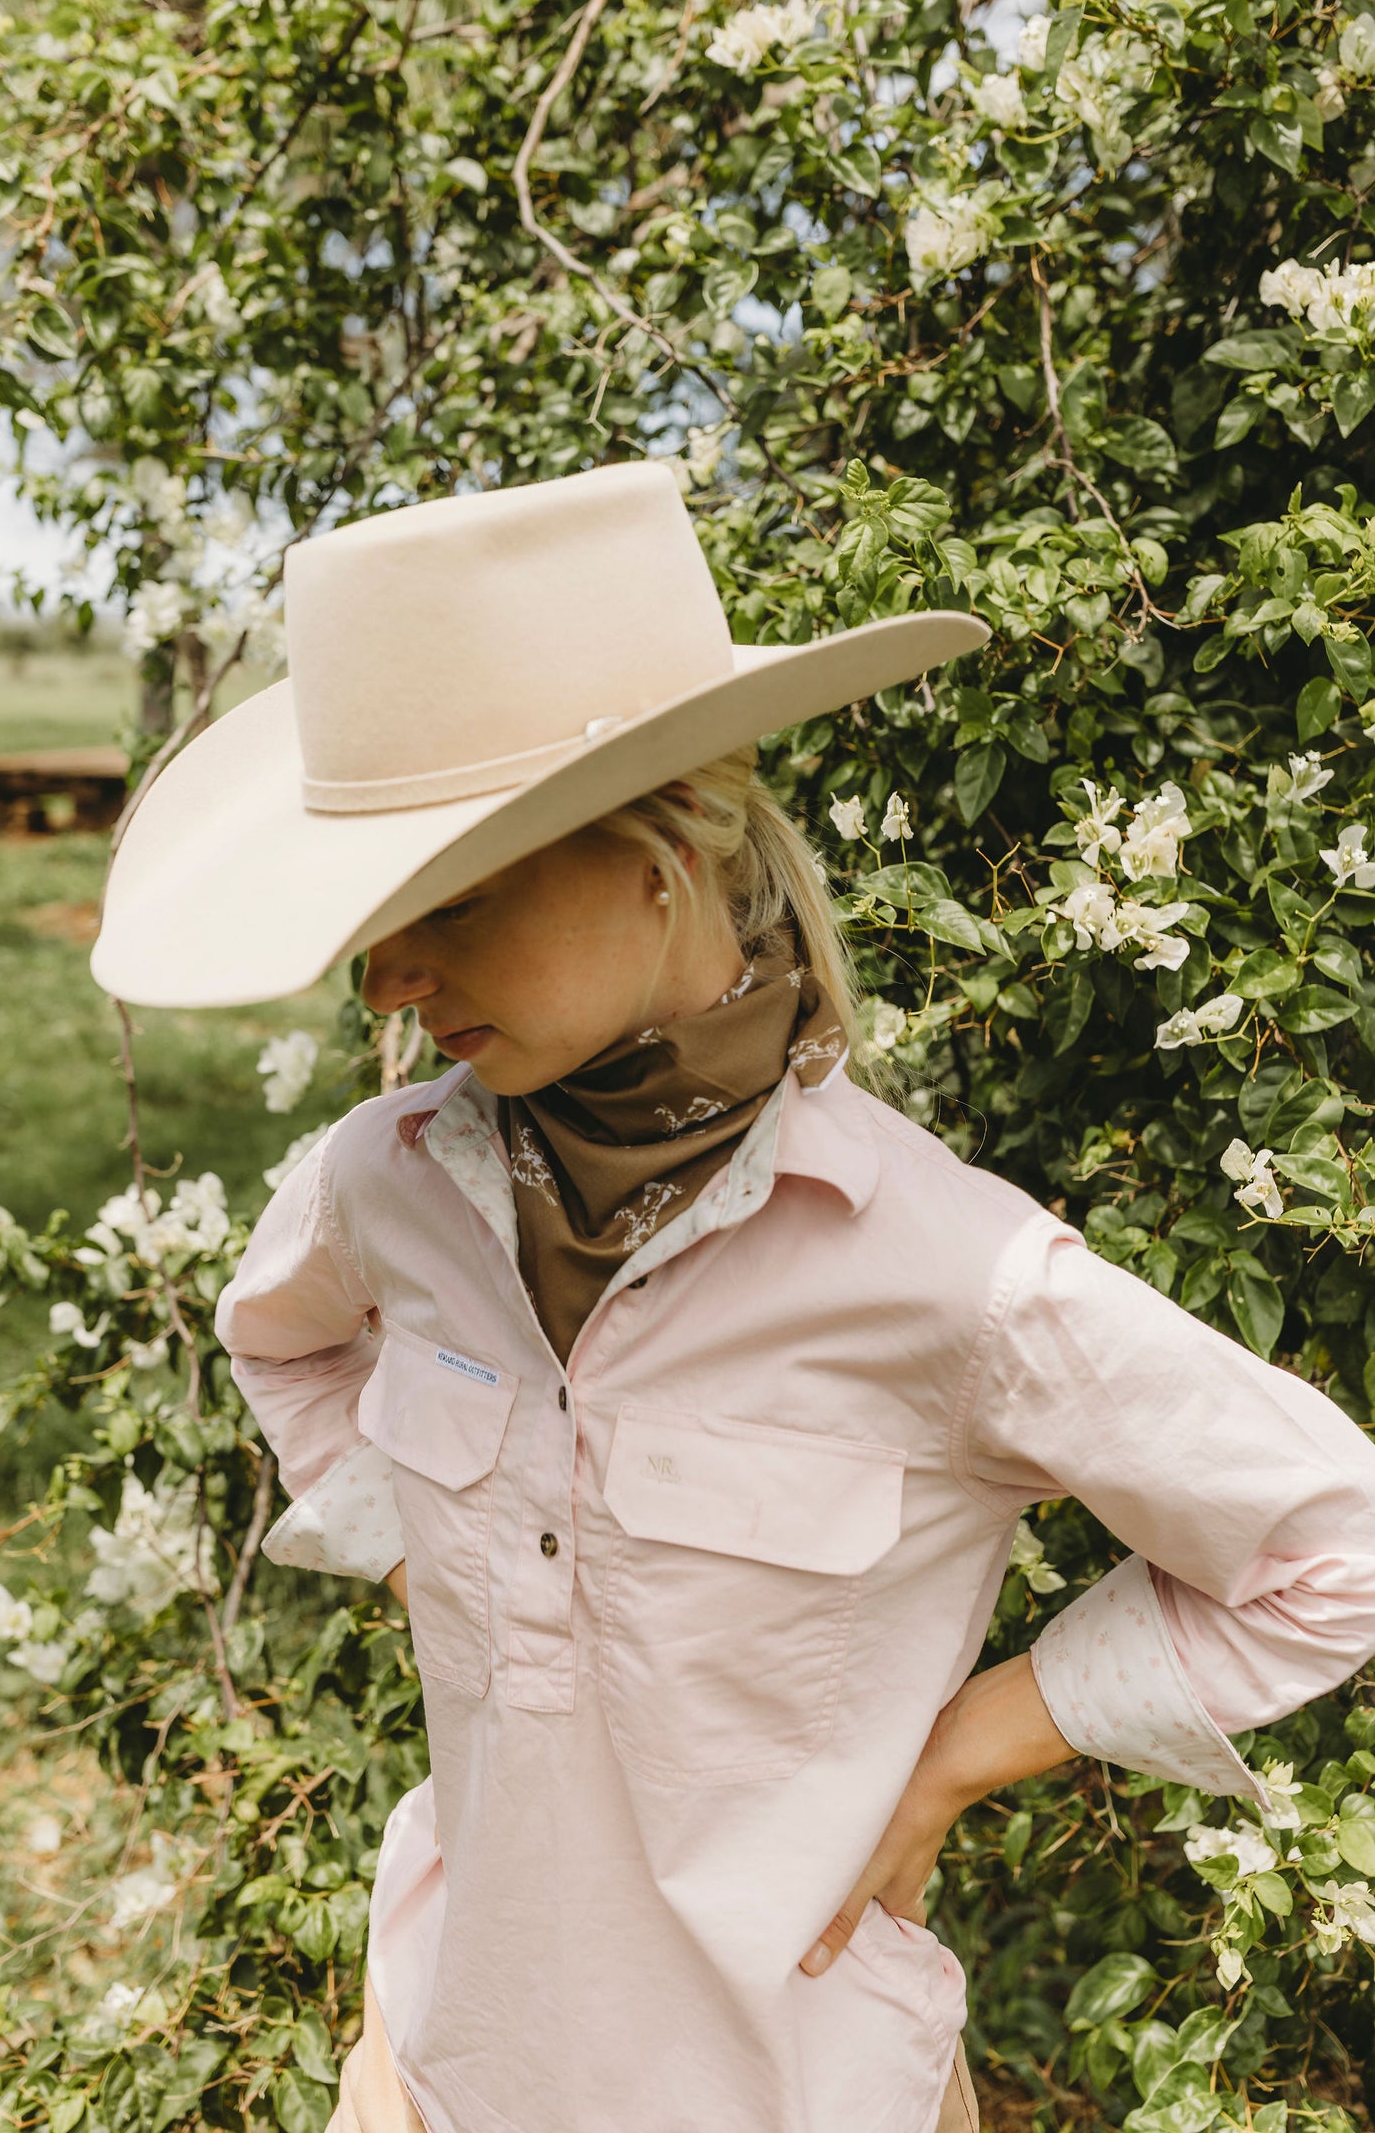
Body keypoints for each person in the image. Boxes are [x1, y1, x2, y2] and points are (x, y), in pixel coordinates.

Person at [93, 462, 1375, 2133]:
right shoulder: (383, 1182)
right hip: (436, 2061)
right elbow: (280, 1335)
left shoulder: (941, 1271)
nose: (394, 987)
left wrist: (955, 1754)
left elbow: (1324, 1551)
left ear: (665, 848)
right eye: (370, 935)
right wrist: (424, 1549)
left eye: (449, 908)